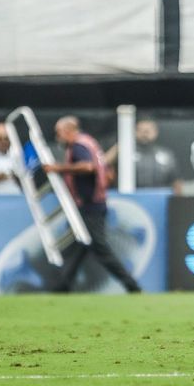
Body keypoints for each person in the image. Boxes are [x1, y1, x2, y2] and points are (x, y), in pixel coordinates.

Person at [42, 116, 142, 293]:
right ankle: (63, 286)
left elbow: (88, 167)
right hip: (93, 204)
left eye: (59, 133)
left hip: (90, 206)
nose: (58, 138)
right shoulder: (89, 143)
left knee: (100, 248)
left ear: (68, 131)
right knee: (78, 246)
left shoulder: (79, 146)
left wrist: (59, 168)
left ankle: (131, 285)